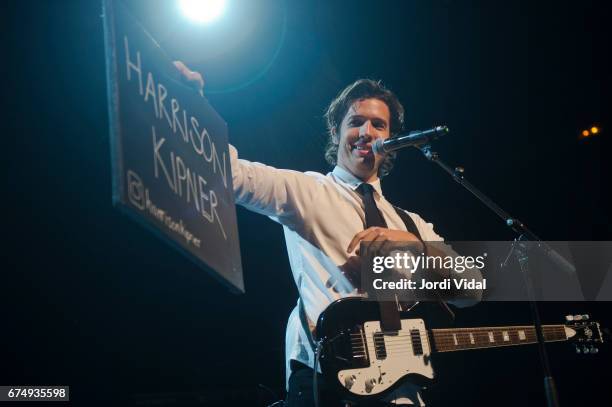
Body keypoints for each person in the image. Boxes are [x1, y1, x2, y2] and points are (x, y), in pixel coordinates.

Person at [174, 62, 482, 406]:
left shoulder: (410, 224)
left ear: (392, 140)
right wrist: (195, 108)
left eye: (378, 125)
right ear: (336, 133)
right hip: (330, 384)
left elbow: (472, 289)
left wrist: (417, 248)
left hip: (402, 393)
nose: (366, 132)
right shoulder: (308, 192)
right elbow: (230, 176)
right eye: (355, 122)